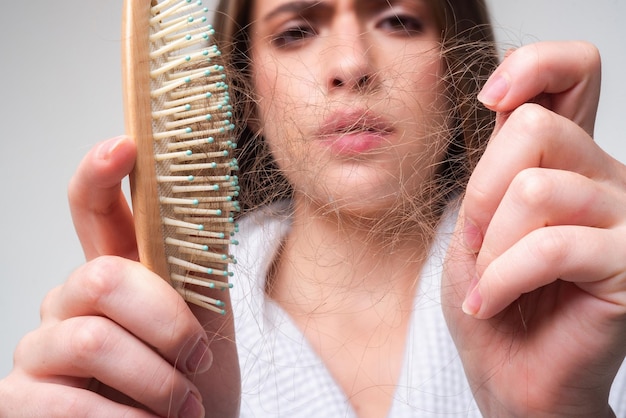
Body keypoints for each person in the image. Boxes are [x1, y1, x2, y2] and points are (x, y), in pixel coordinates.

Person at [1, 0, 626, 416]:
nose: (351, 66)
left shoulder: (570, 303)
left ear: (457, 62)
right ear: (238, 91)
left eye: (399, 19)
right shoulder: (158, 343)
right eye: (296, 31)